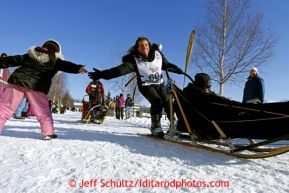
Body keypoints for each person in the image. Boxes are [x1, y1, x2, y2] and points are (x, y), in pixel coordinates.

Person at [88, 36, 183, 136]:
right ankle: (156, 127)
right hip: (146, 86)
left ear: (149, 46)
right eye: (141, 46)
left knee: (168, 102)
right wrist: (103, 74)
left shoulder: (157, 54)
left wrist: (177, 69)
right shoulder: (135, 60)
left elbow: (166, 64)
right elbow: (120, 70)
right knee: (157, 102)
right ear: (137, 48)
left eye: (146, 45)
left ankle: (173, 125)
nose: (144, 47)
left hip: (159, 83)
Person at [0, 40, 87, 140]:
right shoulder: (55, 60)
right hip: (38, 85)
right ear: (57, 51)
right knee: (42, 110)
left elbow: (13, 60)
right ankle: (48, 133)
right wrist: (78, 68)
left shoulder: (30, 55)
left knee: (5, 107)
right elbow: (66, 65)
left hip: (18, 80)